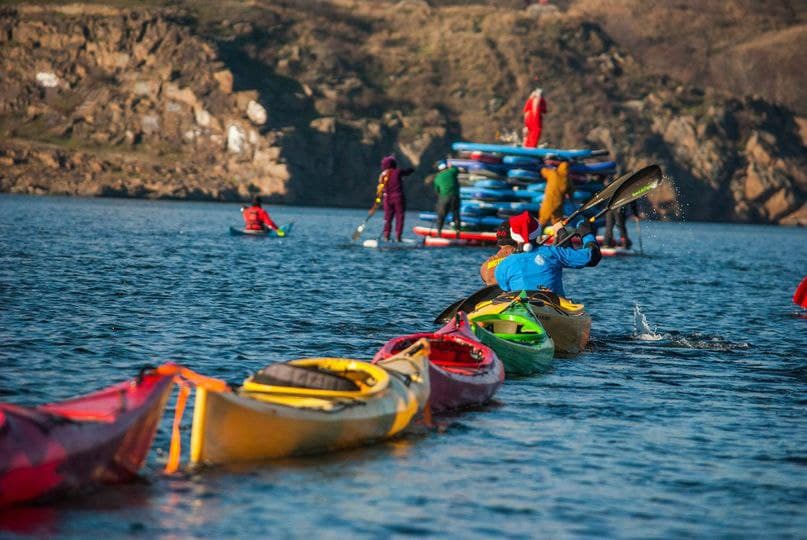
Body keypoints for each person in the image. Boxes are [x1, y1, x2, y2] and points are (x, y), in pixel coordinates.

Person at [493, 211, 601, 297]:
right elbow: (592, 257)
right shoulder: (553, 253)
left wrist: (561, 233)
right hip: (554, 307)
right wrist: (586, 233)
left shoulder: (503, 266)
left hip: (521, 310)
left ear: (514, 237)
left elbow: (507, 290)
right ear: (537, 232)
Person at [376, 154, 414, 242]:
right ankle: (398, 237)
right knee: (399, 217)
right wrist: (412, 169)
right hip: (398, 198)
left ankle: (386, 236)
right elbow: (407, 172)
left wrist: (378, 200)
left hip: (387, 200)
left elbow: (379, 189)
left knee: (388, 218)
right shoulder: (397, 171)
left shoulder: (382, 175)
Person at [538, 160, 570, 232]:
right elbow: (571, 190)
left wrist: (543, 167)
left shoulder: (553, 173)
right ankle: (559, 235)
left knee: (543, 218)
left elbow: (544, 171)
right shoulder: (567, 179)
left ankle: (537, 234)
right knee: (557, 220)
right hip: (560, 201)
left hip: (550, 200)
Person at [433, 160, 461, 237]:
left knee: (441, 215)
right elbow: (456, 169)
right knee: (456, 214)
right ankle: (458, 232)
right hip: (455, 197)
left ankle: (439, 232)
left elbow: (437, 190)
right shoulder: (452, 172)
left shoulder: (437, 177)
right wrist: (450, 165)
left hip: (444, 198)